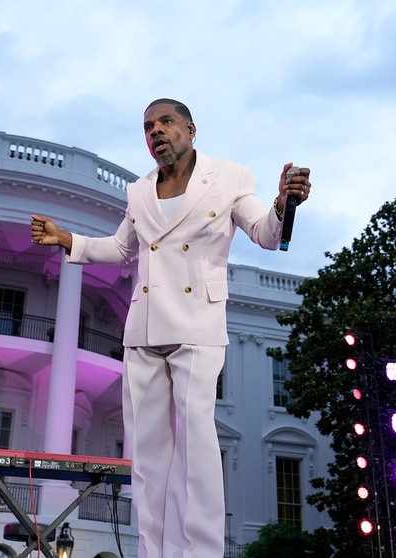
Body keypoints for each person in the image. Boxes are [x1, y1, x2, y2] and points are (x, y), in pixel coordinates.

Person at [30, 98, 312, 558]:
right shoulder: (139, 190)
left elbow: (266, 233)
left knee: (194, 448)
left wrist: (285, 203)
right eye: (147, 126)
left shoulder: (230, 176)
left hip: (197, 326)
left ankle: (199, 552)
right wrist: (69, 240)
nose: (155, 131)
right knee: (148, 459)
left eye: (165, 122)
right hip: (143, 331)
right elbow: (122, 249)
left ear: (191, 128)